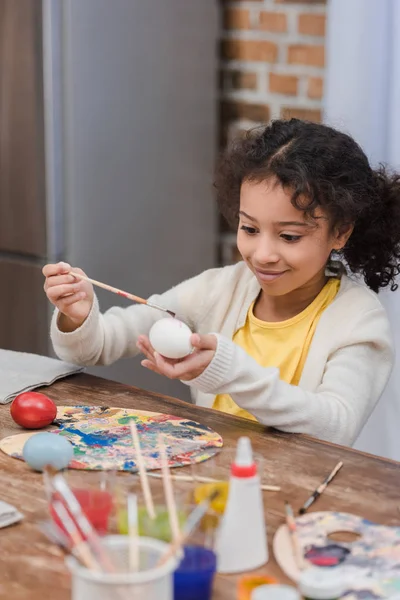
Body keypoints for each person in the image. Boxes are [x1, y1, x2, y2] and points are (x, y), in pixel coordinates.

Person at [43, 119, 400, 446]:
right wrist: (78, 314)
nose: (262, 254)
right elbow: (96, 348)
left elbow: (335, 426)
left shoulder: (358, 321)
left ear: (340, 232)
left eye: (289, 236)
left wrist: (229, 371)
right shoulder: (219, 289)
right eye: (249, 229)